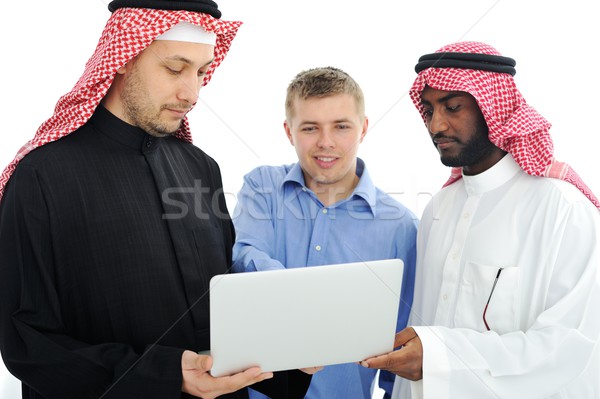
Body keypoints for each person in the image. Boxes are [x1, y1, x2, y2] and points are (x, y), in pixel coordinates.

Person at [0, 1, 315, 398]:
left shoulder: (201, 167)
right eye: (174, 68)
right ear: (123, 58)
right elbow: (28, 343)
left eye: (201, 71)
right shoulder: (41, 177)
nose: (192, 92)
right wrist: (167, 374)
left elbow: (221, 306)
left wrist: (289, 352)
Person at [361, 41, 600, 398]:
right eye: (427, 110)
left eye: (453, 107)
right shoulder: (438, 208)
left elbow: (570, 347)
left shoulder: (562, 209)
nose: (436, 125)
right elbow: (422, 329)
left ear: (494, 107)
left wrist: (438, 358)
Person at [231, 66, 418, 399]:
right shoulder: (262, 188)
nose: (326, 142)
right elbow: (245, 255)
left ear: (363, 128)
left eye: (341, 126)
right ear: (289, 132)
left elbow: (401, 348)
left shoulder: (401, 227)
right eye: (310, 128)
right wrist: (304, 305)